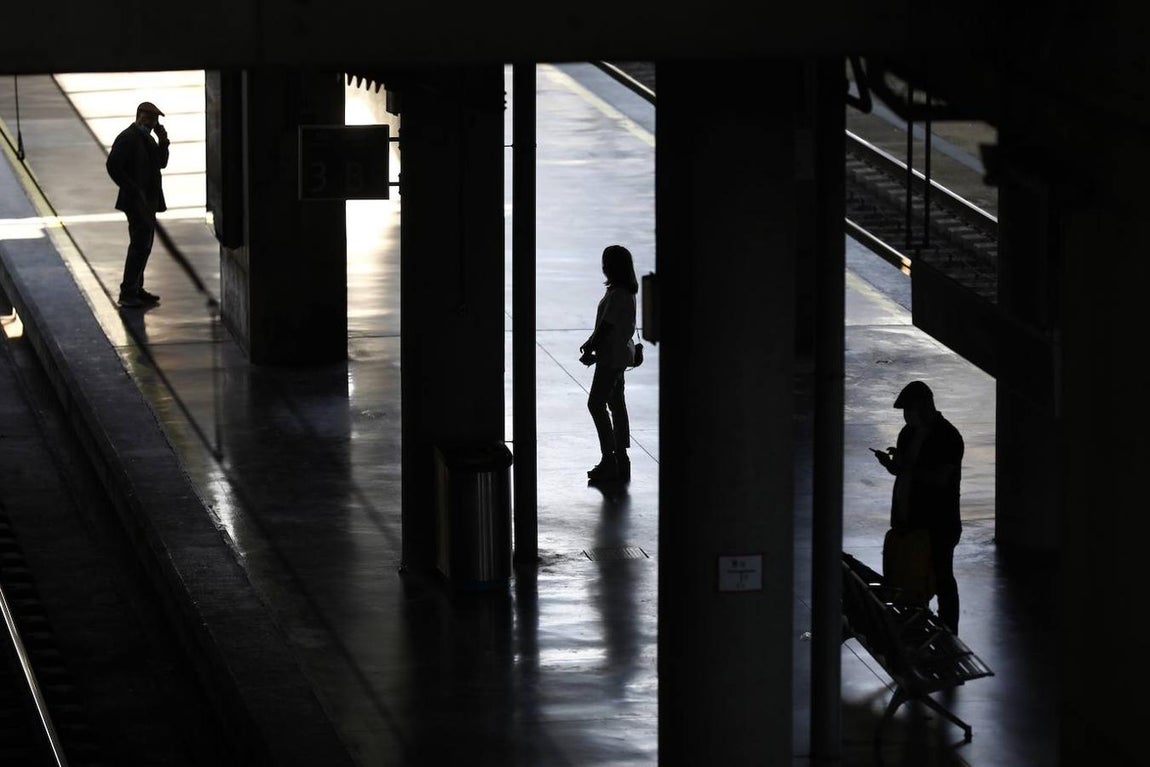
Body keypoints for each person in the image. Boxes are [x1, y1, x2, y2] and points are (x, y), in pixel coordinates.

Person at [872, 380, 964, 633]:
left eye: (908, 410)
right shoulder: (908, 433)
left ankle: (948, 629)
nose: (905, 416)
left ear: (924, 407)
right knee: (912, 578)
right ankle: (918, 626)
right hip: (910, 519)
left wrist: (905, 465)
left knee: (941, 576)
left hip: (939, 523)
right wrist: (892, 464)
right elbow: (903, 471)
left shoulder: (948, 437)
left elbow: (940, 478)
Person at [580, 245, 638, 483]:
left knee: (596, 404)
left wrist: (592, 347)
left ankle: (609, 458)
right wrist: (591, 343)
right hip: (618, 357)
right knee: (616, 404)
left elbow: (606, 327)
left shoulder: (617, 295)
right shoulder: (625, 292)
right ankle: (620, 456)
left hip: (610, 360)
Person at [106, 101, 169, 308]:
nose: (153, 123)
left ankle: (136, 288)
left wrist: (163, 141)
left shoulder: (148, 139)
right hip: (136, 202)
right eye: (150, 118)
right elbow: (113, 166)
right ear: (139, 116)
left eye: (155, 120)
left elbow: (161, 163)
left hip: (148, 201)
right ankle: (128, 292)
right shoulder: (128, 137)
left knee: (144, 245)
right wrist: (132, 189)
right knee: (139, 245)